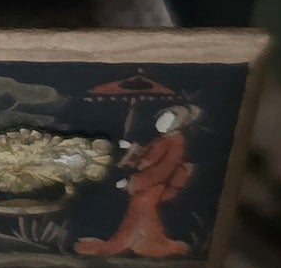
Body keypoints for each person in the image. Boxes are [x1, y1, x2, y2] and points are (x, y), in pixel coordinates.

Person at [74, 104, 200, 258]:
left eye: (167, 120)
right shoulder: (162, 139)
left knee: (142, 205)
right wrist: (132, 148)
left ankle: (139, 243)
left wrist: (133, 183)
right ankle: (139, 242)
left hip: (154, 185)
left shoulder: (176, 144)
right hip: (147, 183)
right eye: (161, 118)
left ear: (177, 125)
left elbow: (160, 172)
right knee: (140, 209)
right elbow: (147, 156)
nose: (160, 123)